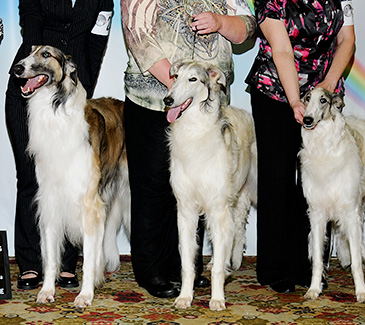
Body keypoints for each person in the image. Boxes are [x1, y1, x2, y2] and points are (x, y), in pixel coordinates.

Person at [121, 0, 256, 298]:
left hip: (206, 111)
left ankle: (185, 271)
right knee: (154, 188)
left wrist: (220, 22)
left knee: (198, 191)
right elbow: (138, 37)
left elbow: (248, 27)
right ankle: (152, 271)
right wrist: (182, 88)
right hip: (155, 102)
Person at [245, 0, 355, 293]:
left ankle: (310, 266)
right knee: (278, 178)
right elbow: (281, 50)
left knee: (320, 179)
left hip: (323, 96)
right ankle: (276, 266)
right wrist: (296, 100)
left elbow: (347, 40)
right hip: (277, 92)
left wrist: (326, 88)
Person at [5, 0, 114, 290]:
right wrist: (36, 71)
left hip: (72, 94)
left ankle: (67, 265)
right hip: (30, 89)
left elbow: (96, 42)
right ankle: (30, 264)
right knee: (31, 179)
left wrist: (83, 85)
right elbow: (31, 26)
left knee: (75, 185)